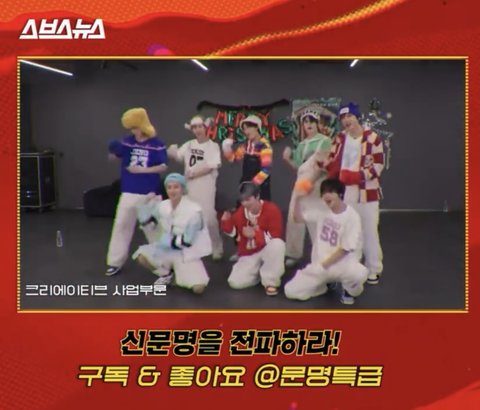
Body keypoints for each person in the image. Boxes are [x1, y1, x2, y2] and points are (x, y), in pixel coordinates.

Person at [327, 102, 385, 285]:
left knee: (369, 232)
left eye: (349, 116)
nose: (346, 120)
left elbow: (378, 165)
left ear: (357, 117)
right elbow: (331, 160)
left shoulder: (373, 138)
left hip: (368, 193)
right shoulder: (339, 138)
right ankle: (352, 268)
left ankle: (374, 268)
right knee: (350, 232)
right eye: (342, 117)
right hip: (346, 194)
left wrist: (357, 176)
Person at [284, 178, 368, 305]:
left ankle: (349, 291)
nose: (326, 195)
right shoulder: (322, 210)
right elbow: (298, 218)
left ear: (340, 194)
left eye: (330, 192)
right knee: (290, 291)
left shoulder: (352, 217)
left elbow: (345, 249)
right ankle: (323, 285)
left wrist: (324, 266)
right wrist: (298, 198)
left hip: (342, 265)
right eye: (323, 193)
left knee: (359, 274)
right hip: (319, 265)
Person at [105, 107, 168, 276]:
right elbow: (115, 156)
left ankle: (164, 263)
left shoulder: (156, 144)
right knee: (121, 226)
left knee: (154, 230)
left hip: (149, 193)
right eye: (131, 128)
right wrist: (113, 151)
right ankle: (114, 262)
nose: (133, 131)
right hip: (129, 191)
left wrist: (142, 171)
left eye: (135, 127)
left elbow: (163, 166)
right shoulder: (127, 141)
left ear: (143, 125)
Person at [132, 173, 211, 294]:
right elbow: (149, 225)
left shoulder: (194, 211)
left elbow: (187, 241)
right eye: (169, 187)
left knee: (198, 289)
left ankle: (180, 272)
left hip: (186, 254)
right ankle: (166, 275)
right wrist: (144, 206)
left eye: (176, 187)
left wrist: (166, 241)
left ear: (182, 189)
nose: (172, 191)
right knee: (142, 257)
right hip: (166, 250)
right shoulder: (163, 206)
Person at [167, 115, 223, 260]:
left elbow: (212, 166)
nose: (197, 130)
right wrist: (171, 152)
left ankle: (217, 247)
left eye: (200, 127)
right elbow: (178, 157)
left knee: (209, 217)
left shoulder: (213, 146)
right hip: (189, 186)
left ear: (205, 128)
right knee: (190, 216)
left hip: (205, 185)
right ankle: (192, 246)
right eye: (194, 128)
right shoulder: (189, 144)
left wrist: (194, 174)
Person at [283, 109, 332, 268]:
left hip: (317, 183)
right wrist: (287, 159)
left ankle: (322, 253)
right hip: (301, 182)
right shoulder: (301, 144)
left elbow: (324, 167)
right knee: (294, 216)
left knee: (317, 218)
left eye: (311, 121)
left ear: (317, 124)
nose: (308, 124)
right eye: (305, 122)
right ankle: (293, 253)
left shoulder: (325, 141)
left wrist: (311, 183)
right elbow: (299, 167)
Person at [222, 114, 273, 262]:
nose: (246, 131)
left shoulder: (264, 145)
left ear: (257, 128)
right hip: (245, 186)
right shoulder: (245, 145)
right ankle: (241, 250)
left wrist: (253, 186)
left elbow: (266, 170)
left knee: (260, 219)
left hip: (260, 189)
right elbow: (233, 159)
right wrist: (226, 147)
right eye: (244, 128)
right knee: (241, 218)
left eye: (249, 127)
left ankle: (263, 251)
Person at [220, 182, 285, 296]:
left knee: (278, 244)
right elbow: (235, 233)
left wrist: (256, 234)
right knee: (235, 282)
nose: (245, 203)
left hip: (267, 249)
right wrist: (226, 221)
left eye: (248, 199)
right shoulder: (240, 213)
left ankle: (270, 281)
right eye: (242, 200)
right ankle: (258, 273)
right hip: (249, 253)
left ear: (257, 196)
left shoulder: (272, 209)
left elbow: (276, 235)